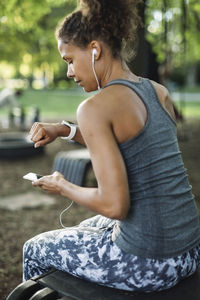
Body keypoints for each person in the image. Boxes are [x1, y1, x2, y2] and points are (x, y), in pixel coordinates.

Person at [23, 0, 200, 293]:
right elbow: (131, 141)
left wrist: (61, 185)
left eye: (69, 60)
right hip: (190, 250)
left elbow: (115, 205)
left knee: (34, 247)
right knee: (83, 230)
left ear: (95, 49)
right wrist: (63, 130)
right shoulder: (158, 92)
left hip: (149, 263)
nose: (68, 72)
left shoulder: (94, 108)